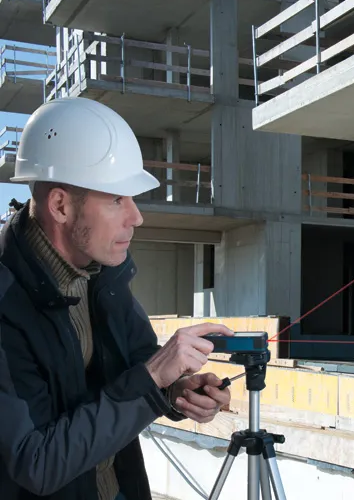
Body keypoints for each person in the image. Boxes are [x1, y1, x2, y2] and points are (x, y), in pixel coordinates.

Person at [0, 97, 235, 500]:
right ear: (60, 205)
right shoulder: (7, 304)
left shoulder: (103, 272)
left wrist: (178, 390)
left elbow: (139, 364)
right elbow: (35, 462)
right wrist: (153, 377)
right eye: (116, 199)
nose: (136, 216)